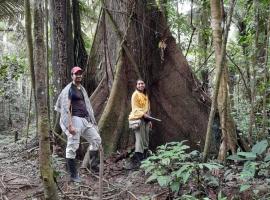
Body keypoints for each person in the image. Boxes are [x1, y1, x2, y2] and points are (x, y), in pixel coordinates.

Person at [55, 66, 101, 182]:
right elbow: (67, 108)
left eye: (80, 73)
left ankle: (94, 166)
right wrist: (70, 125)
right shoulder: (69, 89)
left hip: (85, 120)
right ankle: (73, 174)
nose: (79, 75)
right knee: (72, 146)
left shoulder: (81, 89)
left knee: (96, 140)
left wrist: (91, 120)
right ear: (72, 76)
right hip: (75, 119)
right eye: (76, 74)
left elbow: (87, 106)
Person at [126, 79, 152, 169]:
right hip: (138, 119)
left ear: (144, 85)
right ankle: (139, 160)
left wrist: (150, 120)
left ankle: (145, 159)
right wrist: (143, 115)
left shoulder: (145, 95)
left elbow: (148, 109)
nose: (141, 85)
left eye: (142, 83)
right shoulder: (135, 95)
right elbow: (135, 108)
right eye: (139, 84)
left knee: (145, 140)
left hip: (146, 120)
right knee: (139, 140)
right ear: (136, 85)